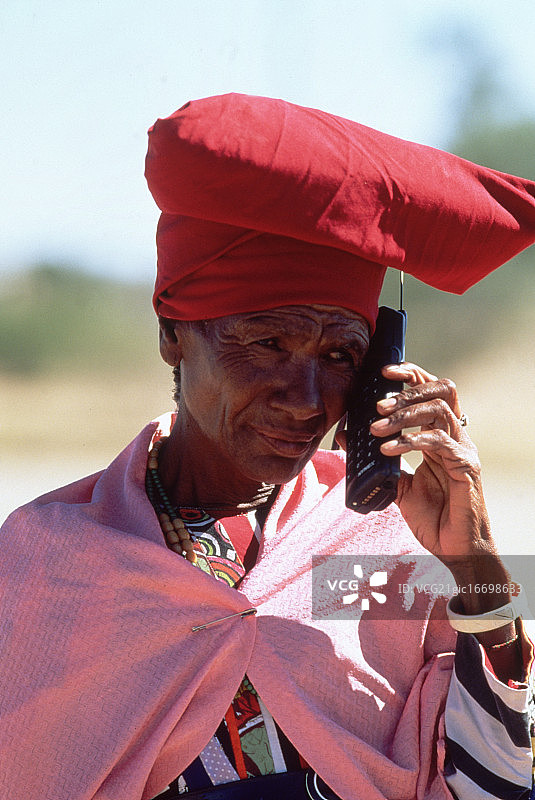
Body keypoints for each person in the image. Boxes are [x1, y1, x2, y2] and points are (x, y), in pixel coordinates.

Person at [2, 93, 535, 800]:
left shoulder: (380, 545)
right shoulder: (45, 558)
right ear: (171, 332)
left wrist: (476, 568)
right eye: (268, 343)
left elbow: (497, 784)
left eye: (341, 356)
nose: (307, 397)